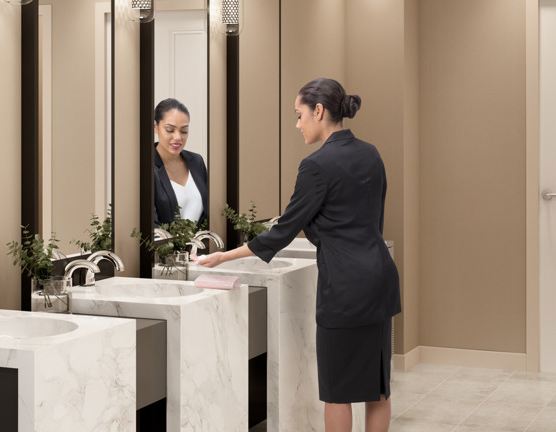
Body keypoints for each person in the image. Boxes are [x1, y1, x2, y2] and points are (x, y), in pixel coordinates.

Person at [197, 78, 401, 432]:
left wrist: (221, 257)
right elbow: (374, 220)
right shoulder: (371, 153)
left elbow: (282, 231)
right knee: (377, 389)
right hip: (380, 279)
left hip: (345, 290)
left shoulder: (316, 166)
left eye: (299, 115)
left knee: (338, 391)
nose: (297, 124)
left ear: (319, 111)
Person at [153, 98, 208, 228]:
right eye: (170, 130)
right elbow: (149, 226)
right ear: (156, 127)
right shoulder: (144, 167)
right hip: (161, 247)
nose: (178, 137)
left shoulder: (197, 161)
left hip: (201, 247)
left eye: (184, 131)